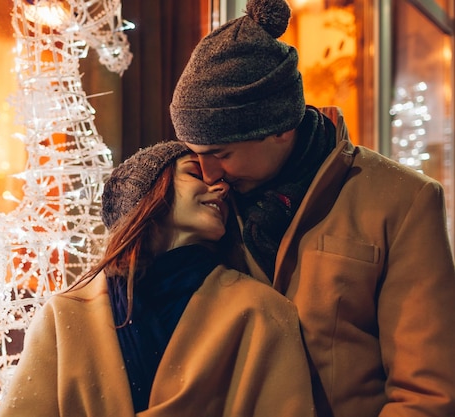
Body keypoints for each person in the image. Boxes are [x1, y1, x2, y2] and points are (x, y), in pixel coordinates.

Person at [168, 0, 455, 416]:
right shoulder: (206, 205)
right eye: (196, 154)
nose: (208, 173)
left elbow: (427, 395)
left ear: (281, 129)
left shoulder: (402, 201)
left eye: (221, 153)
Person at [0, 141, 316, 417]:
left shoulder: (262, 312)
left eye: (225, 184)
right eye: (195, 173)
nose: (221, 186)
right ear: (148, 193)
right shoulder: (64, 314)